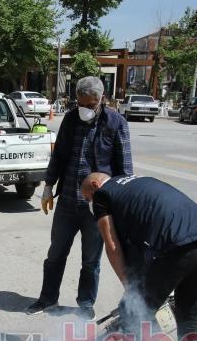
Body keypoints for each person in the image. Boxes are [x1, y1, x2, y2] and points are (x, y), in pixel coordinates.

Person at [80, 172, 197, 341]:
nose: (90, 203)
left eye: (87, 198)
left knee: (136, 314)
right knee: (189, 317)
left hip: (176, 249)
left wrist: (131, 292)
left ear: (94, 185)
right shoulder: (135, 183)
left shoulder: (104, 195)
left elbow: (112, 246)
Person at [26, 76, 134, 319]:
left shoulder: (116, 123)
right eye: (81, 103)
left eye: (90, 104)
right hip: (67, 202)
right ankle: (47, 298)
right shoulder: (71, 119)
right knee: (55, 254)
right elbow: (59, 155)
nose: (85, 109)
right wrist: (48, 185)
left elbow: (125, 169)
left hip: (97, 208)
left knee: (90, 260)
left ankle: (85, 304)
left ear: (102, 100)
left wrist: (121, 207)